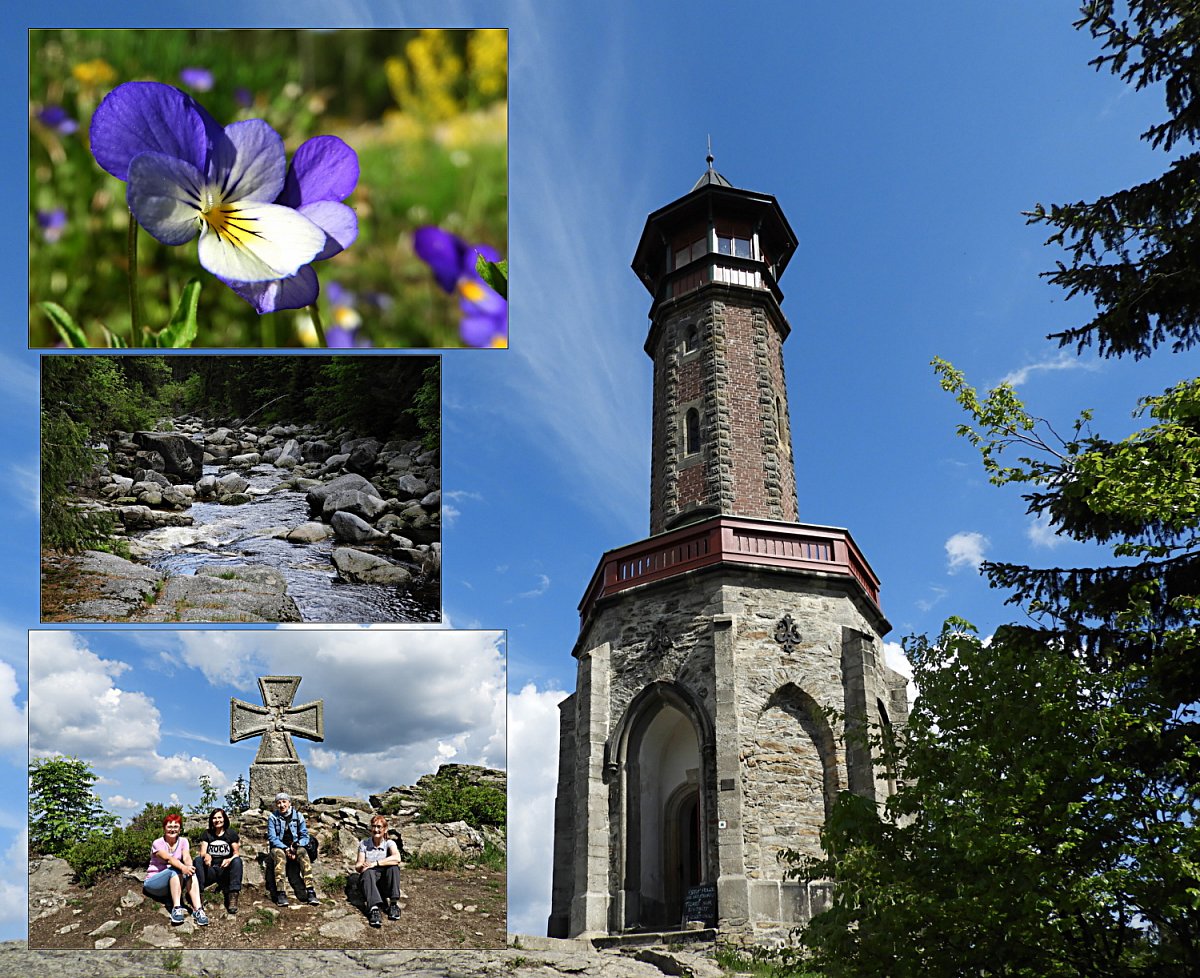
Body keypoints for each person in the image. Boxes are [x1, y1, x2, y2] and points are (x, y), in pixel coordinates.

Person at [142, 813, 208, 926]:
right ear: (164, 828)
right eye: (169, 826)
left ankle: (198, 910)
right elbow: (168, 859)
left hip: (173, 882)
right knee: (175, 869)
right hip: (154, 883)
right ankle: (177, 908)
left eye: (175, 827)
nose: (172, 830)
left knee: (190, 873)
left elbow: (186, 856)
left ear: (180, 829)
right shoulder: (157, 843)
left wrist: (189, 867)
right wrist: (183, 867)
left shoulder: (183, 841)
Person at [266, 792, 319, 907]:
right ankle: (281, 893)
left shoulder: (298, 816)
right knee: (279, 856)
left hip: (295, 846)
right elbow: (272, 838)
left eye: (284, 802)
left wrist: (296, 847)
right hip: (279, 847)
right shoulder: (272, 818)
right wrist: (286, 849)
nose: (281, 805)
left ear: (289, 803)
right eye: (278, 803)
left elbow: (305, 835)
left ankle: (310, 891)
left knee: (303, 853)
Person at [354, 814, 403, 928]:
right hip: (369, 881)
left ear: (385, 829)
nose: (376, 830)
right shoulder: (364, 844)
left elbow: (397, 858)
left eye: (379, 827)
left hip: (383, 881)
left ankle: (393, 904)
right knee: (368, 872)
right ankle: (374, 909)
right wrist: (363, 866)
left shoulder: (389, 843)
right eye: (374, 826)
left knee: (394, 868)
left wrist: (375, 863)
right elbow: (358, 865)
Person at [196, 807, 243, 914]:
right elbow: (202, 852)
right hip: (211, 869)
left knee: (237, 861)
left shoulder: (230, 834)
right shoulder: (207, 834)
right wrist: (206, 855)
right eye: (214, 818)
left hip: (225, 870)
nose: (217, 820)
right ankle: (199, 894)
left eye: (219, 817)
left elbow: (236, 853)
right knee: (198, 860)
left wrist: (229, 859)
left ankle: (233, 896)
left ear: (224, 819)